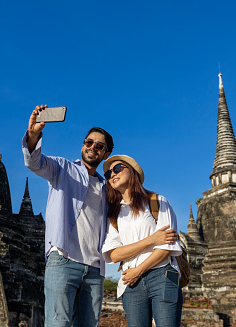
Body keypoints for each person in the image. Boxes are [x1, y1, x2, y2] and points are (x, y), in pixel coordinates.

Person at [22, 105, 113, 327]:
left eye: (99, 146)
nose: (92, 148)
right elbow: (34, 162)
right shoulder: (62, 168)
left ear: (105, 154)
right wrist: (34, 133)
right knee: (58, 324)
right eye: (89, 142)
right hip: (62, 259)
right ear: (83, 145)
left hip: (94, 268)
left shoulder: (107, 188)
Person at [102, 155, 183, 327]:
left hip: (162, 275)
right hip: (131, 283)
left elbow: (166, 246)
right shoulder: (114, 215)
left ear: (132, 172)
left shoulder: (157, 202)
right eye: (108, 174)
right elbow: (115, 255)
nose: (112, 175)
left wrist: (138, 270)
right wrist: (151, 240)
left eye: (117, 168)